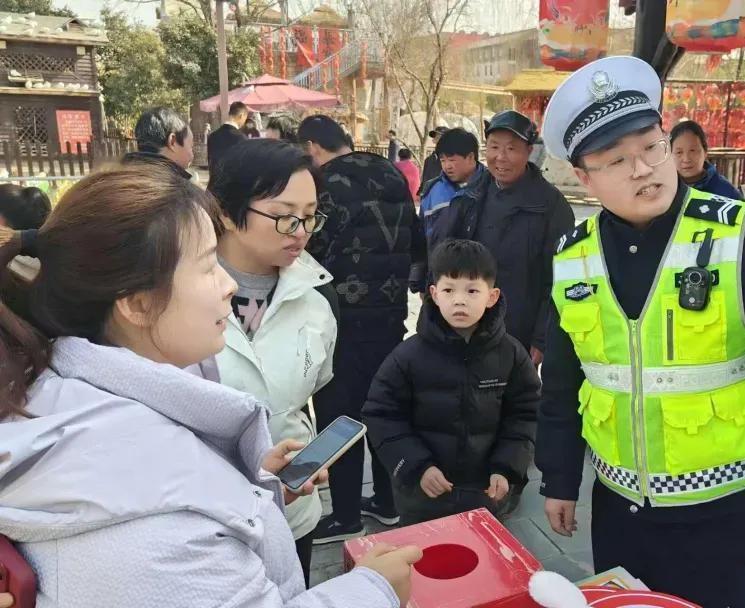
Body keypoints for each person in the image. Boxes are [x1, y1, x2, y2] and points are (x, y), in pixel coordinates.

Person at [0, 164, 421, 607]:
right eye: (207, 267)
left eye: (311, 215)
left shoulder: (71, 398)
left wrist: (252, 486)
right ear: (138, 304)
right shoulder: (157, 536)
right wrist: (374, 589)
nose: (228, 285)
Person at [536, 56, 745, 608]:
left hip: (723, 510)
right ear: (584, 178)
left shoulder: (740, 235)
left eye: (651, 147)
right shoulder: (573, 257)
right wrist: (559, 480)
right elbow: (563, 385)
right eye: (616, 160)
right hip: (618, 506)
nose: (642, 169)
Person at [207, 139, 339, 586]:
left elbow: (310, 395)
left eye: (310, 216)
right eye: (284, 215)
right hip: (209, 519)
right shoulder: (176, 295)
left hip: (292, 506)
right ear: (226, 212)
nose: (300, 230)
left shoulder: (318, 298)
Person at [298, 115, 426, 544]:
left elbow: (311, 250)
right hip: (390, 317)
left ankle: (346, 515)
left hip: (341, 324)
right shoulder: (391, 173)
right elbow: (415, 238)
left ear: (313, 146)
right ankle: (389, 502)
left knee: (339, 418)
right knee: (383, 410)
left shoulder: (325, 185)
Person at [363, 239, 540, 525]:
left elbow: (525, 414)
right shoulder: (408, 357)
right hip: (422, 495)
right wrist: (416, 467)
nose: (460, 300)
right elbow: (381, 414)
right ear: (433, 294)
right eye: (449, 290)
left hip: (485, 492)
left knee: (483, 560)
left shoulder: (511, 355)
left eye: (472, 290)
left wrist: (506, 468)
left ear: (492, 296)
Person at [429, 110, 574, 365]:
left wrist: (542, 338)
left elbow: (560, 280)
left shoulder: (550, 206)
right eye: (494, 147)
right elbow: (443, 258)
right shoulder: (471, 196)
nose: (501, 157)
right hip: (467, 324)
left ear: (529, 151)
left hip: (518, 331)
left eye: (512, 148)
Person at [419, 128, 486, 238]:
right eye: (443, 160)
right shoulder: (432, 191)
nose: (447, 166)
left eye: (452, 160)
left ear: (470, 157)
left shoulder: (491, 186)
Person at [670, 120, 743, 200]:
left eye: (692, 151)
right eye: (679, 152)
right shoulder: (664, 189)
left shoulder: (726, 192)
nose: (686, 159)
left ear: (705, 152)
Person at [122, 106, 195, 179]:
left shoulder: (118, 177)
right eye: (191, 147)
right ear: (172, 142)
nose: (192, 155)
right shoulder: (177, 188)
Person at [207, 101, 250, 176]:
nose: (244, 122)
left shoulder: (212, 136)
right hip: (233, 184)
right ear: (241, 116)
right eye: (245, 119)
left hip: (214, 184)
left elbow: (211, 164)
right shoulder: (242, 138)